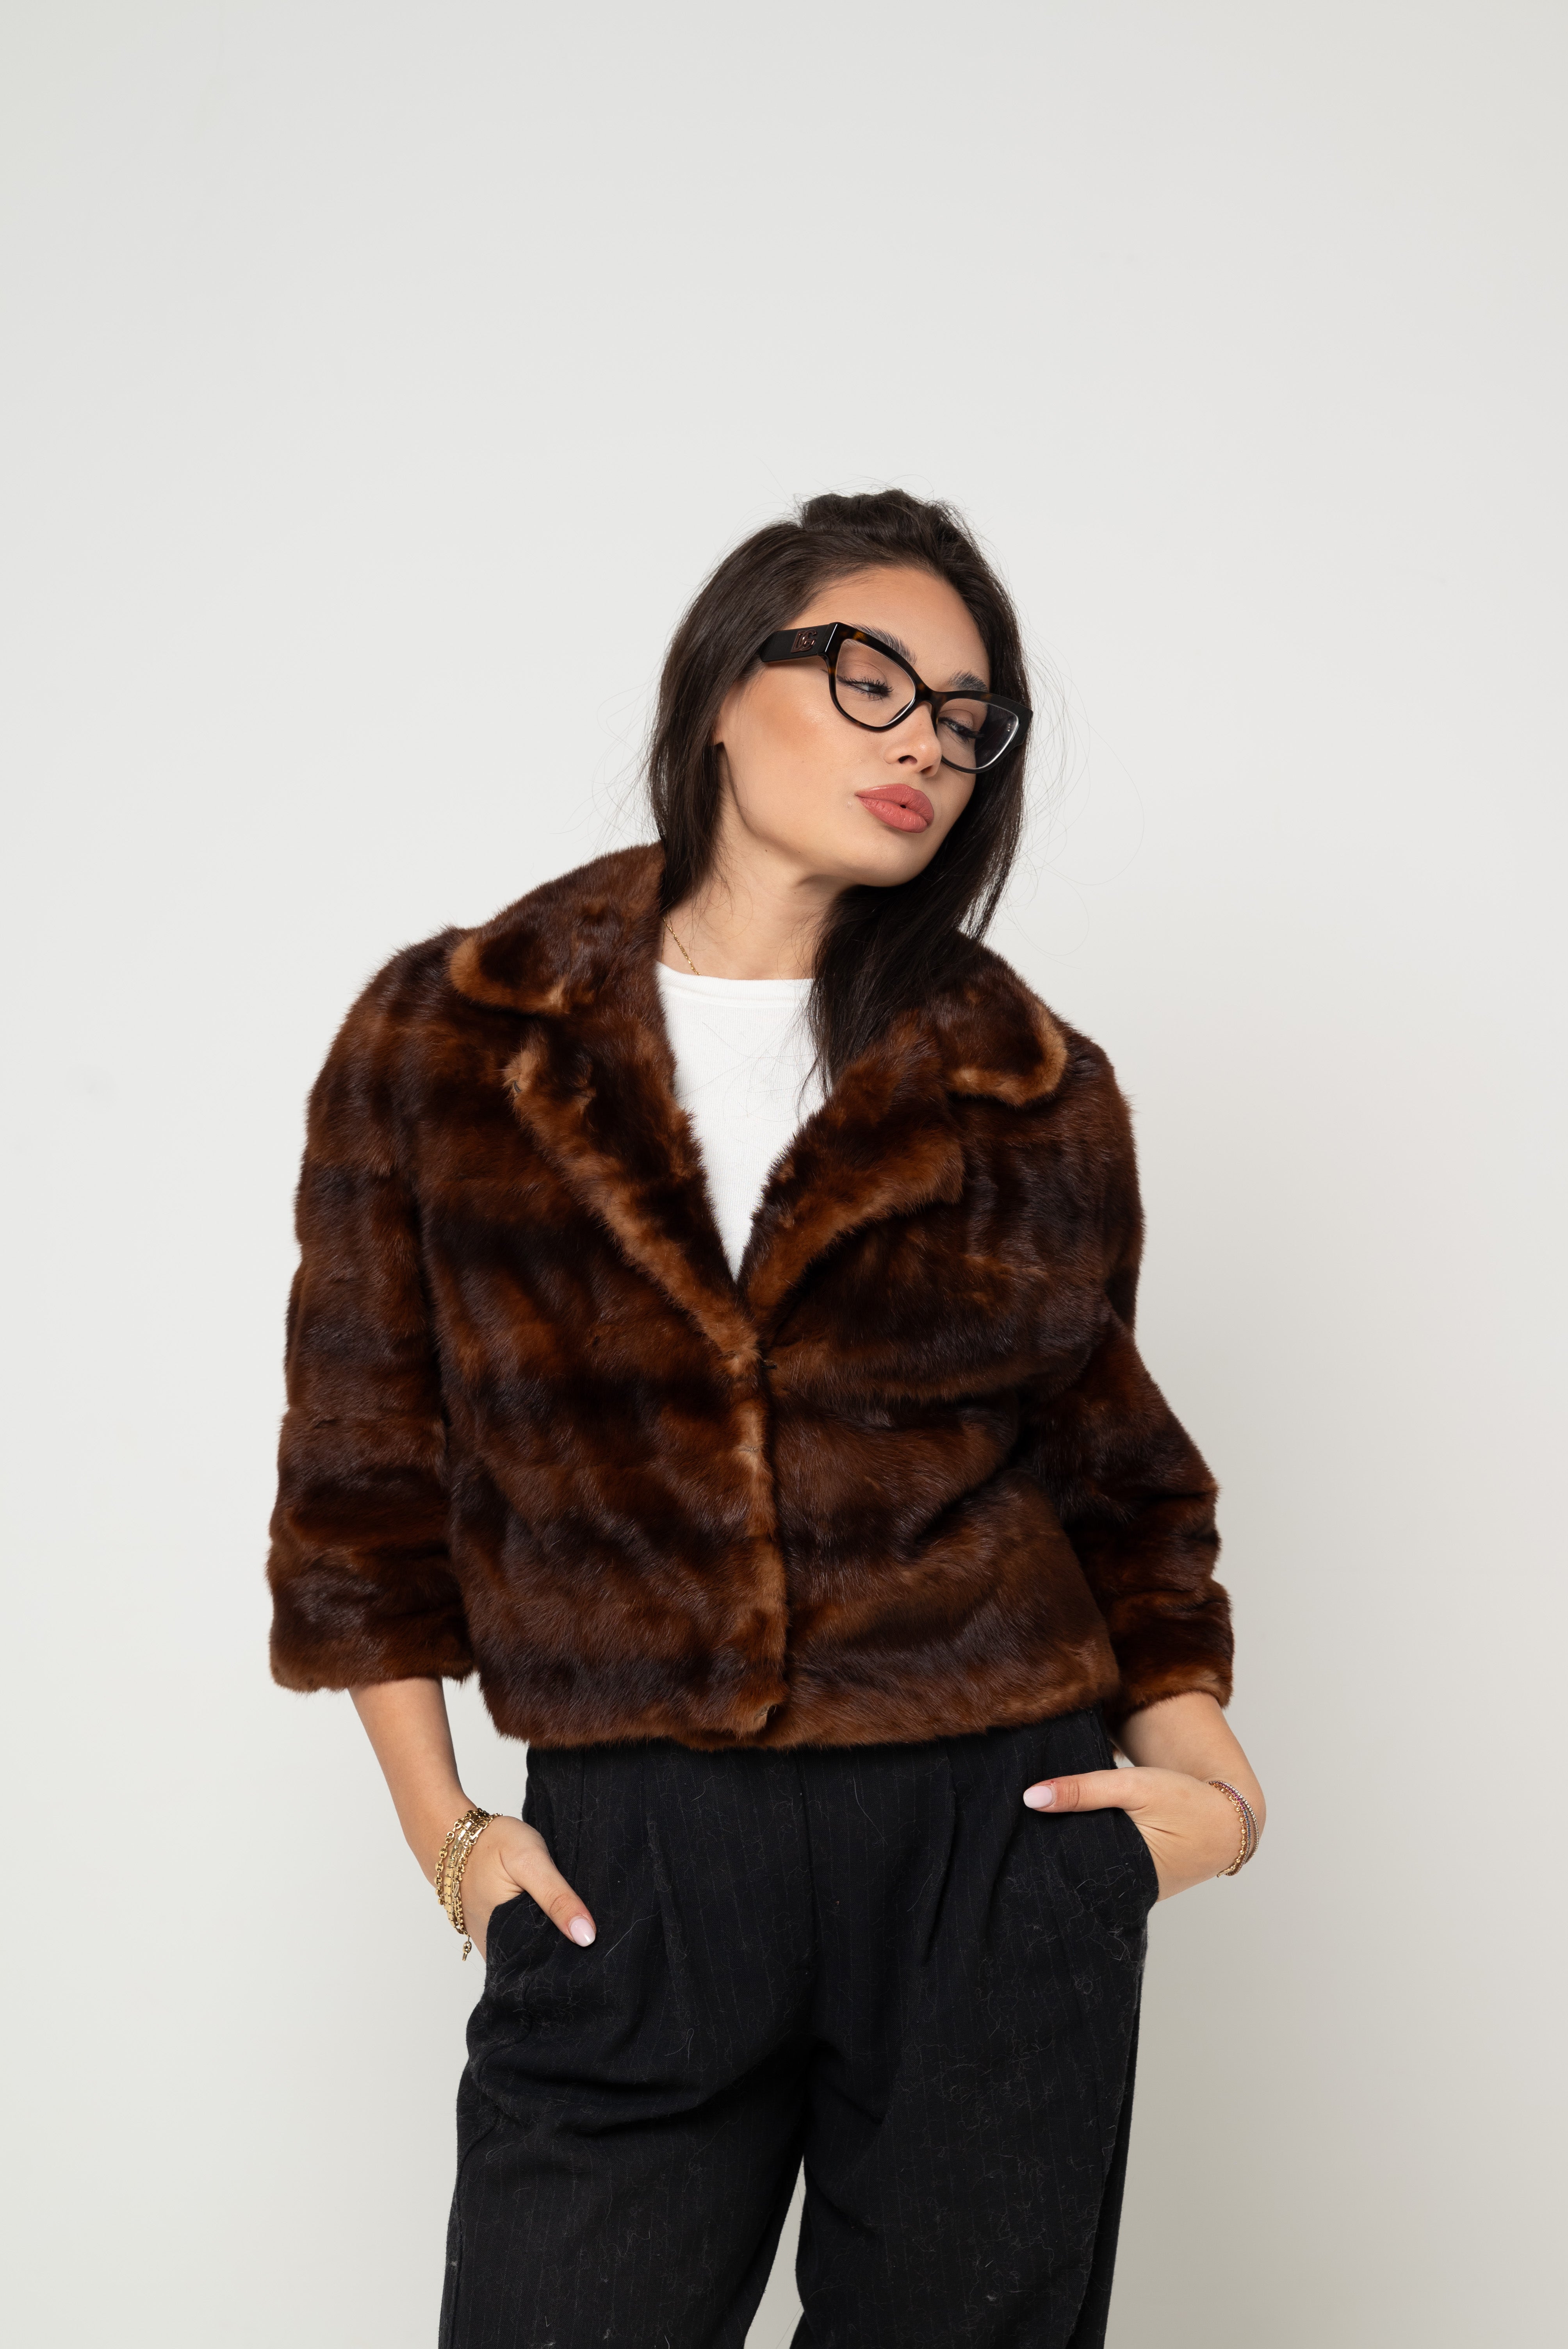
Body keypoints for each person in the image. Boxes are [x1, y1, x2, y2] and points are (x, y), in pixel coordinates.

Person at [266, 487, 1265, 2349]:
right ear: (724, 687)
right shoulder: (454, 1037)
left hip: (988, 1837)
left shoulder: (1028, 1085)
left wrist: (1210, 1799)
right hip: (635, 1851)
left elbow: (1119, 1486)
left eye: (966, 716)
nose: (925, 742)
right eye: (870, 678)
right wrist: (451, 1835)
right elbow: (360, 1487)